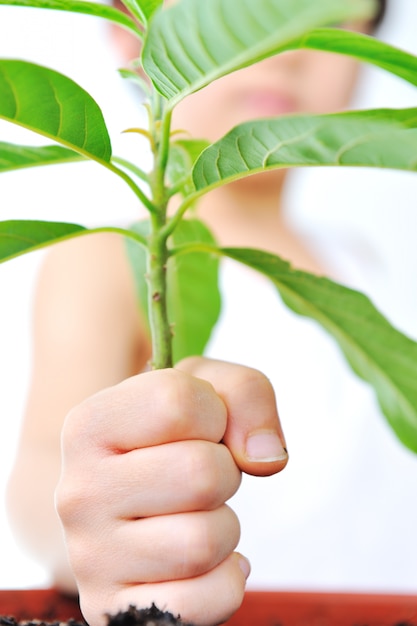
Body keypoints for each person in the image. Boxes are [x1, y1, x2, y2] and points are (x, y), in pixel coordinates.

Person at [9, 2, 417, 626]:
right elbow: (47, 472)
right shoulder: (103, 261)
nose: (284, 51)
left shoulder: (364, 264)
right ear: (131, 36)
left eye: (324, 19)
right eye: (231, 15)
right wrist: (98, 541)